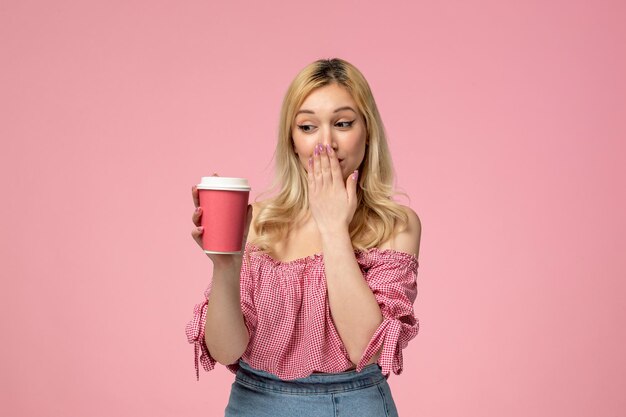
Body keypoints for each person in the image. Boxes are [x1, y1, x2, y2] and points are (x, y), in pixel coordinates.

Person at [186, 58, 421, 417]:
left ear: (368, 131)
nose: (325, 143)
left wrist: (332, 227)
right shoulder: (262, 220)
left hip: (353, 404)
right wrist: (226, 264)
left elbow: (366, 348)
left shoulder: (396, 225)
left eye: (343, 123)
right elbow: (225, 351)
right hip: (253, 402)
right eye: (308, 127)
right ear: (293, 140)